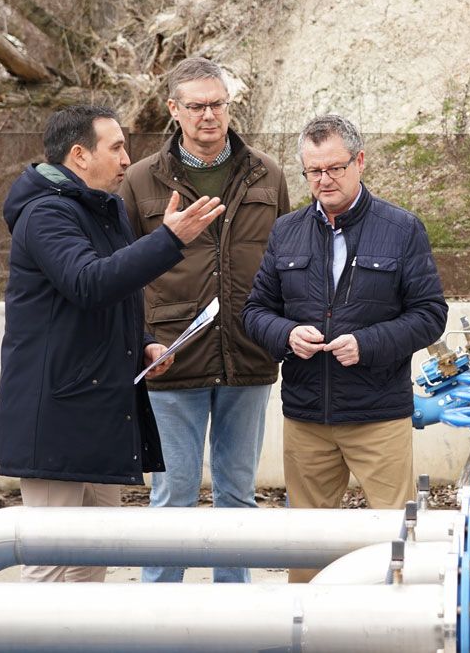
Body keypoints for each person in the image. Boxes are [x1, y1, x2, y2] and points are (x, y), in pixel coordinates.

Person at [0, 104, 224, 583]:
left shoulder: (106, 208)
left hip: (98, 408)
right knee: (51, 564)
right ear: (79, 155)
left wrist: (143, 343)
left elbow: (115, 297)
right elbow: (88, 282)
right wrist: (169, 240)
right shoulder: (45, 213)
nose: (127, 159)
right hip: (55, 414)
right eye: (116, 147)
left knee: (91, 562)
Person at [243, 114, 448, 582]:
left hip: (378, 416)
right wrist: (286, 336)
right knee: (308, 549)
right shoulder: (286, 232)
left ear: (359, 162)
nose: (324, 180)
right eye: (314, 171)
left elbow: (430, 314)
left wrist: (368, 343)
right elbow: (256, 312)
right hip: (307, 418)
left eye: (335, 168)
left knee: (395, 541)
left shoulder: (401, 228)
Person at [119, 57, 290, 584]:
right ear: (174, 110)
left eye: (217, 104)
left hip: (247, 354)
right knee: (173, 494)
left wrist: (279, 332)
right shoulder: (141, 180)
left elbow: (286, 259)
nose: (209, 116)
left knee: (238, 494)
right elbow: (122, 273)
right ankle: (160, 615)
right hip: (173, 358)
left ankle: (232, 613)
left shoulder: (267, 172)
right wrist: (146, 340)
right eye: (195, 106)